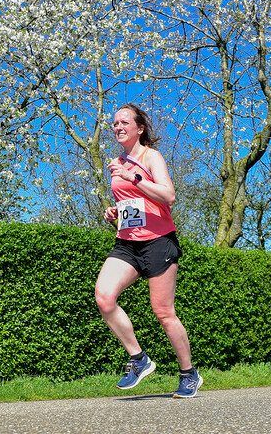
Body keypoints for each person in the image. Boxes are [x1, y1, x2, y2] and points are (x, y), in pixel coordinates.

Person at [95, 103, 203, 399]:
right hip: (128, 242)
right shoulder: (118, 161)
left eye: (123, 122)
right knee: (104, 298)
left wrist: (134, 178)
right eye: (114, 123)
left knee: (164, 312)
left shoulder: (150, 157)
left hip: (158, 241)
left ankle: (188, 373)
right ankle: (139, 358)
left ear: (139, 128)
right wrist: (115, 211)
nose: (117, 127)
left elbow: (169, 196)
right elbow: (135, 203)